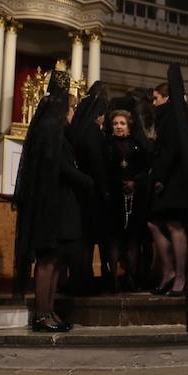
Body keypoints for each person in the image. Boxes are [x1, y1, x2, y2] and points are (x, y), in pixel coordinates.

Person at [14, 70, 93, 332]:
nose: (73, 113)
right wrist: (89, 181)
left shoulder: (52, 127)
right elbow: (60, 167)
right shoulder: (51, 129)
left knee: (56, 260)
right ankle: (41, 313)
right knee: (47, 260)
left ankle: (50, 312)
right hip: (52, 204)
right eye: (71, 107)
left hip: (58, 202)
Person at [148, 67, 188, 296]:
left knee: (175, 226)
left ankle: (181, 276)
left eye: (156, 98)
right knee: (154, 222)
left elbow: (170, 150)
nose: (154, 102)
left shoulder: (170, 116)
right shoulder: (169, 115)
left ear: (166, 98)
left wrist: (159, 178)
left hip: (174, 181)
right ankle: (169, 272)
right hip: (170, 179)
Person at [67, 82, 110, 295]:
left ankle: (80, 277)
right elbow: (97, 164)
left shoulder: (79, 129)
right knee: (88, 240)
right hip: (92, 193)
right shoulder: (92, 131)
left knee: (83, 239)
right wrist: (104, 190)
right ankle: (83, 280)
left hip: (80, 192)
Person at [105, 109, 150, 292]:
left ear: (129, 126)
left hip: (135, 197)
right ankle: (113, 277)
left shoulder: (138, 145)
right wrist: (118, 183)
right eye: (115, 124)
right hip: (113, 197)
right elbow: (104, 170)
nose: (118, 127)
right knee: (114, 238)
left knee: (133, 238)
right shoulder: (106, 145)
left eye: (122, 123)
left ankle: (131, 276)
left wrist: (134, 182)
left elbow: (145, 169)